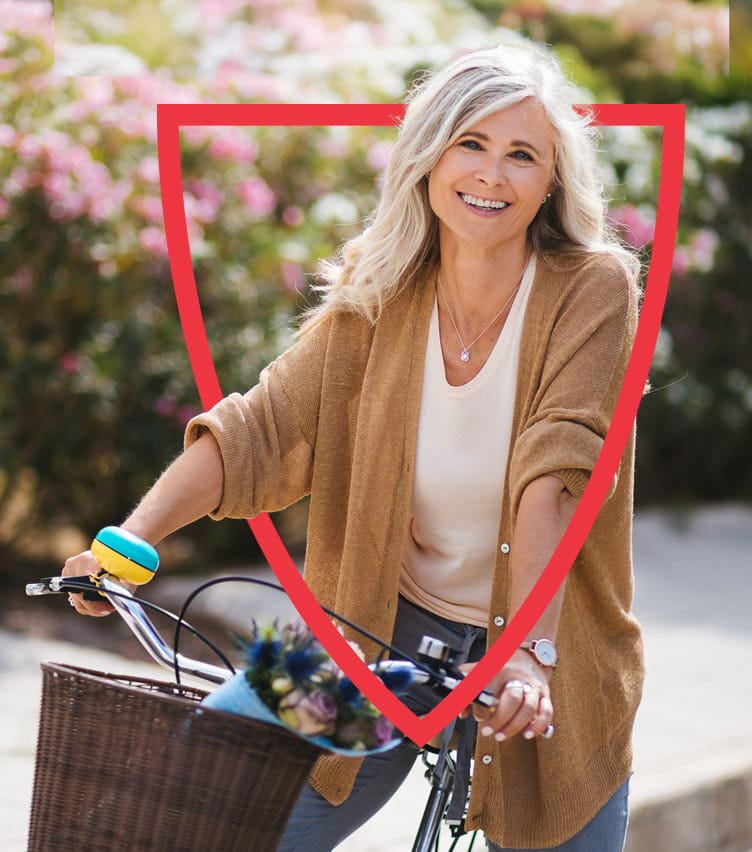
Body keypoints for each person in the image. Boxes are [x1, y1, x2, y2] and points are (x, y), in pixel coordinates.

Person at [63, 43, 642, 851]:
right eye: (469, 143)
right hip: (371, 631)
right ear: (429, 158)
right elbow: (258, 430)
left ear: (552, 180)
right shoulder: (381, 291)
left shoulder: (594, 288)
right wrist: (128, 543)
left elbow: (558, 474)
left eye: (522, 155)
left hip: (551, 657)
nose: (492, 174)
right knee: (200, 815)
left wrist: (526, 655)